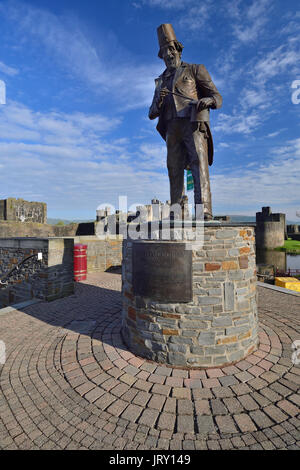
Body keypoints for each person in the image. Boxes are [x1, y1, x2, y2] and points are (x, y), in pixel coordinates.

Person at [149, 24, 222, 220]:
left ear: (178, 50)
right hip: (171, 129)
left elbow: (217, 97)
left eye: (171, 50)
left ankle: (204, 210)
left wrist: (209, 100)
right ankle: (176, 212)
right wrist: (159, 100)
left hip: (192, 124)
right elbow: (151, 113)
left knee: (199, 164)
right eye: (164, 52)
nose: (168, 55)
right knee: (173, 168)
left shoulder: (195, 69)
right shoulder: (160, 81)